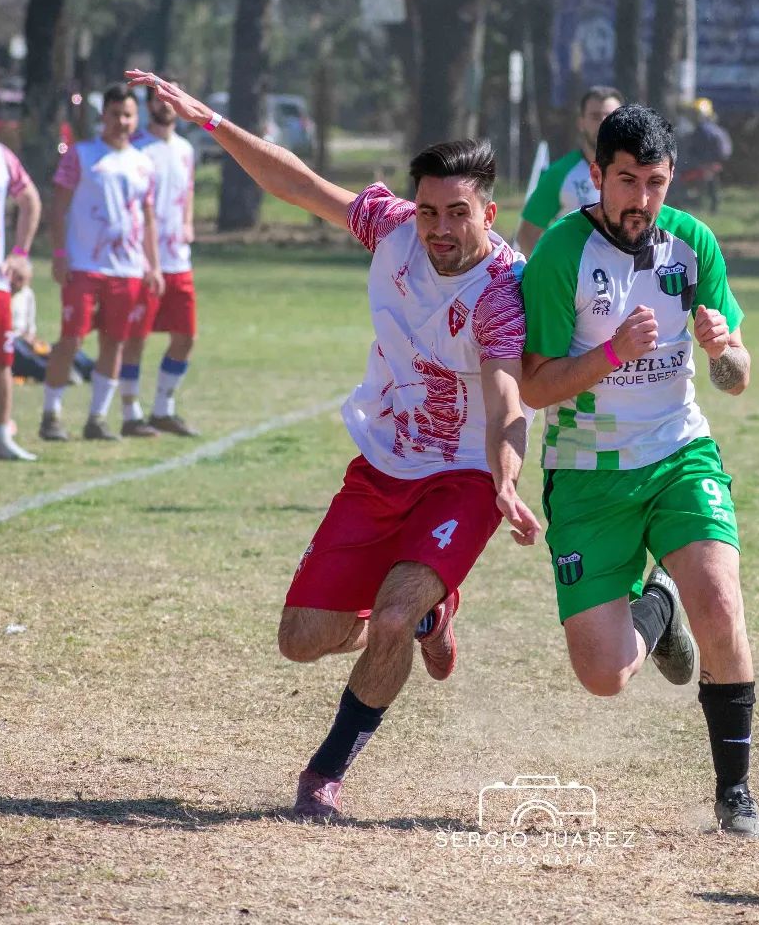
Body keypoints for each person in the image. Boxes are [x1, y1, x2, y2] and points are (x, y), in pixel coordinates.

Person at [125, 68, 541, 822]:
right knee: (301, 638)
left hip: (463, 477)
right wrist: (208, 121)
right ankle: (430, 618)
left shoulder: (505, 291)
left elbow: (508, 393)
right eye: (428, 213)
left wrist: (507, 478)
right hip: (382, 464)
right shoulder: (392, 229)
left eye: (457, 213)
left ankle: (324, 774)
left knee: (385, 617)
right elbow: (300, 185)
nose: (440, 229)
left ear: (489, 210)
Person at [519, 104, 759, 837]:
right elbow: (532, 385)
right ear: (596, 176)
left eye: (655, 183)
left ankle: (736, 795)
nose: (642, 199)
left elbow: (738, 378)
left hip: (678, 452)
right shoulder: (562, 253)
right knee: (604, 676)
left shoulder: (692, 245)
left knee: (721, 607)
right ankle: (654, 606)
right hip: (587, 472)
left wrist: (723, 349)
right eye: (627, 180)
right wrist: (610, 355)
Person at [40, 83, 164, 442]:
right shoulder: (81, 155)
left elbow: (148, 217)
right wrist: (60, 254)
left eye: (127, 115)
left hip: (126, 270)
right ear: (103, 116)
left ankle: (97, 418)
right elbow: (59, 207)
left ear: (135, 117)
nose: (121, 122)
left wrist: (152, 265)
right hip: (83, 266)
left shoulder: (143, 163)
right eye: (114, 115)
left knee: (115, 343)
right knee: (72, 340)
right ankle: (51, 414)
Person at [120, 76, 200, 437]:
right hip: (143, 261)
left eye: (172, 96)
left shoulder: (185, 148)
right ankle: (130, 411)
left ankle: (163, 408)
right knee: (136, 336)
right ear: (149, 104)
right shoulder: (136, 147)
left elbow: (188, 188)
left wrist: (187, 222)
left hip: (178, 259)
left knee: (185, 336)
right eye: (159, 97)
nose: (166, 104)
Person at [515, 86, 623, 258]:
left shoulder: (638, 171)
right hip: (577, 281)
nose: (603, 123)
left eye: (610, 116)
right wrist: (550, 273)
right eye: (595, 116)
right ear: (581, 122)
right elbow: (527, 235)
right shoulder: (560, 173)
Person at [0, 140, 41, 460]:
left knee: (2, 361)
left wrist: (21, 254)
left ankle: (0, 436)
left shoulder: (1, 156)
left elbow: (30, 199)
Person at [676, 98, 732, 213]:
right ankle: (710, 205)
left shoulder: (703, 130)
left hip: (705, 164)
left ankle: (698, 204)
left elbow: (696, 150)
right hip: (712, 163)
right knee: (711, 184)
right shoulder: (714, 129)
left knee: (690, 180)